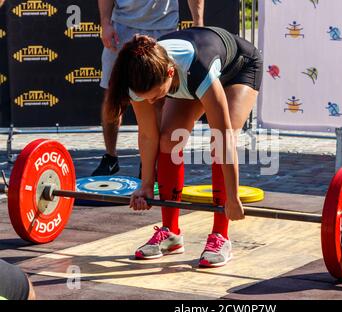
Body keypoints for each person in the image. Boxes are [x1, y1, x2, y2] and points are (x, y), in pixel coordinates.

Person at [104, 27, 263, 267]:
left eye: (156, 97)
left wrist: (232, 198)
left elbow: (223, 140)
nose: (151, 103)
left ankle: (220, 235)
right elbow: (148, 136)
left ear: (169, 73)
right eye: (146, 98)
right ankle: (170, 233)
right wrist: (146, 186)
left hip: (239, 68)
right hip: (188, 74)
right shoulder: (138, 74)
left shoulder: (197, 69)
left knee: (215, 143)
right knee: (168, 139)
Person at [92, 0, 205, 176]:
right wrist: (105, 24)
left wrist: (198, 23)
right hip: (123, 27)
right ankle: (110, 158)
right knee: (112, 99)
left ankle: (149, 164)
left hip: (163, 27)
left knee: (158, 101)